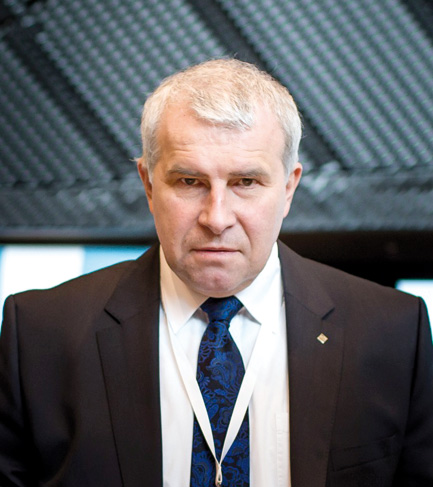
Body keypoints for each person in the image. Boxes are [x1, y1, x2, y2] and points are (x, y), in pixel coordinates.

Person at [0, 59, 432, 487]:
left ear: (288, 188)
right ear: (148, 184)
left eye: (246, 182)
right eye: (189, 182)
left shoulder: (393, 332)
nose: (217, 218)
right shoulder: (40, 334)